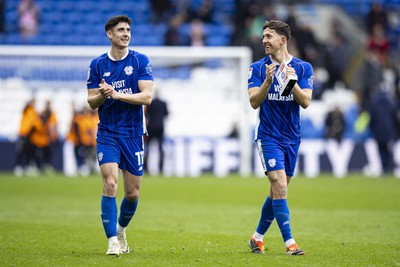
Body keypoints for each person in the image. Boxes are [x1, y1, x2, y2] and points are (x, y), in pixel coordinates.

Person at [86, 15, 154, 256]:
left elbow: (147, 97)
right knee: (110, 183)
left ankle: (121, 230)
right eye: (121, 30)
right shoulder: (97, 65)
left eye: (128, 30)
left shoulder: (140, 61)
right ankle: (112, 240)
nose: (126, 34)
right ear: (109, 34)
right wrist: (103, 95)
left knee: (133, 194)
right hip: (108, 133)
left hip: (134, 134)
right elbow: (92, 101)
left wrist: (115, 95)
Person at [247, 20, 313, 255]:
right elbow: (254, 102)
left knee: (278, 190)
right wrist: (267, 80)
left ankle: (256, 238)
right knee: (280, 185)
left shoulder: (303, 68)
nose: (263, 40)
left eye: (268, 36)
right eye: (263, 36)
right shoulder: (257, 67)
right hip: (268, 136)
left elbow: (305, 102)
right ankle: (290, 243)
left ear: (282, 40)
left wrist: (291, 82)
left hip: (292, 137)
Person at [144, 89, 169, 174]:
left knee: (148, 147)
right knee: (161, 148)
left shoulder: (150, 103)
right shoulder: (163, 103)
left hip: (151, 127)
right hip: (160, 127)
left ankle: (146, 167)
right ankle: (161, 168)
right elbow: (167, 114)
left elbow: (146, 115)